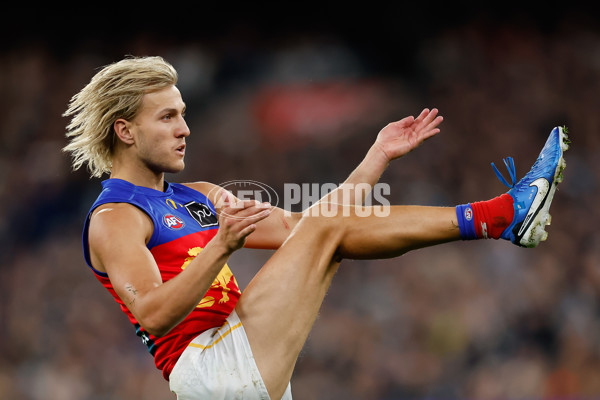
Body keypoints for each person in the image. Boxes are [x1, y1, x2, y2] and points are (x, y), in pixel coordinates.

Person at [63, 55, 569, 399]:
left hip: (241, 349)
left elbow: (301, 227)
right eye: (168, 117)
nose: (185, 128)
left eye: (184, 114)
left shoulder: (198, 195)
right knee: (326, 235)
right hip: (211, 367)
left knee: (327, 233)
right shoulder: (115, 217)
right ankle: (501, 214)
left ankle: (503, 216)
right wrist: (221, 247)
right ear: (125, 131)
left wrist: (377, 158)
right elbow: (152, 314)